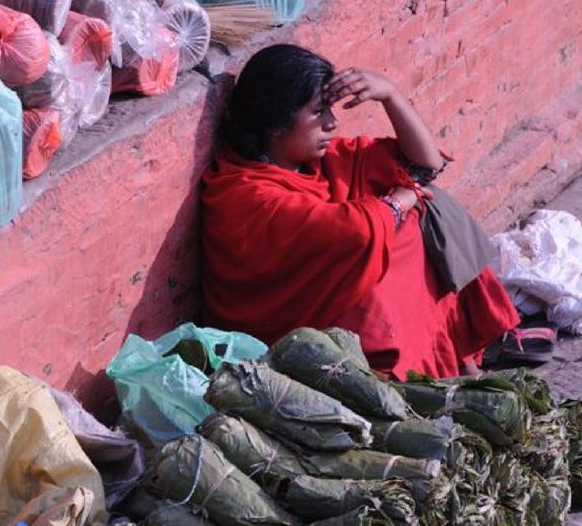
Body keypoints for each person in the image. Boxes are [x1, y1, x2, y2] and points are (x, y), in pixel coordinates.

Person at [201, 44, 522, 379]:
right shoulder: (245, 193)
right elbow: (354, 231)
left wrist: (391, 96)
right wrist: (402, 197)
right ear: (276, 123)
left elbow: (426, 164)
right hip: (289, 331)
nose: (332, 123)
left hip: (339, 309)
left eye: (331, 109)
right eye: (319, 112)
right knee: (391, 246)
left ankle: (458, 360)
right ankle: (425, 375)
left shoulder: (320, 163)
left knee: (430, 209)